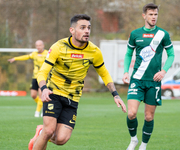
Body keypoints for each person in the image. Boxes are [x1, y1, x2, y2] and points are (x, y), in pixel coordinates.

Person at [28, 14, 127, 150]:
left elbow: (104, 73)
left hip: (72, 98)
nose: (87, 31)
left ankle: (40, 132)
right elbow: (43, 72)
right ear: (72, 30)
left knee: (61, 139)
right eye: (82, 27)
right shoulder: (59, 46)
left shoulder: (94, 51)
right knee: (49, 131)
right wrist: (44, 88)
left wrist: (115, 94)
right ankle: (43, 132)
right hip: (53, 93)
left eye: (88, 28)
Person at [122, 3, 175, 150]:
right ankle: (133, 140)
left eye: (156, 14)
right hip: (137, 80)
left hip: (153, 82)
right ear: (144, 15)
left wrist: (164, 71)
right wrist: (126, 71)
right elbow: (128, 54)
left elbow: (171, 55)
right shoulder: (135, 34)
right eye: (151, 14)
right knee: (131, 113)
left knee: (149, 117)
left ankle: (143, 145)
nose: (153, 17)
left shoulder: (163, 34)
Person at [8, 40, 48, 117]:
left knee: (41, 94)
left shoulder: (47, 54)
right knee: (33, 95)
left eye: (39, 45)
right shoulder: (34, 54)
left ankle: (37, 112)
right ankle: (41, 105)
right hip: (35, 77)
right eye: (37, 45)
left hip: (43, 77)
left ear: (43, 45)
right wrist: (15, 58)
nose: (38, 47)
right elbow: (26, 57)